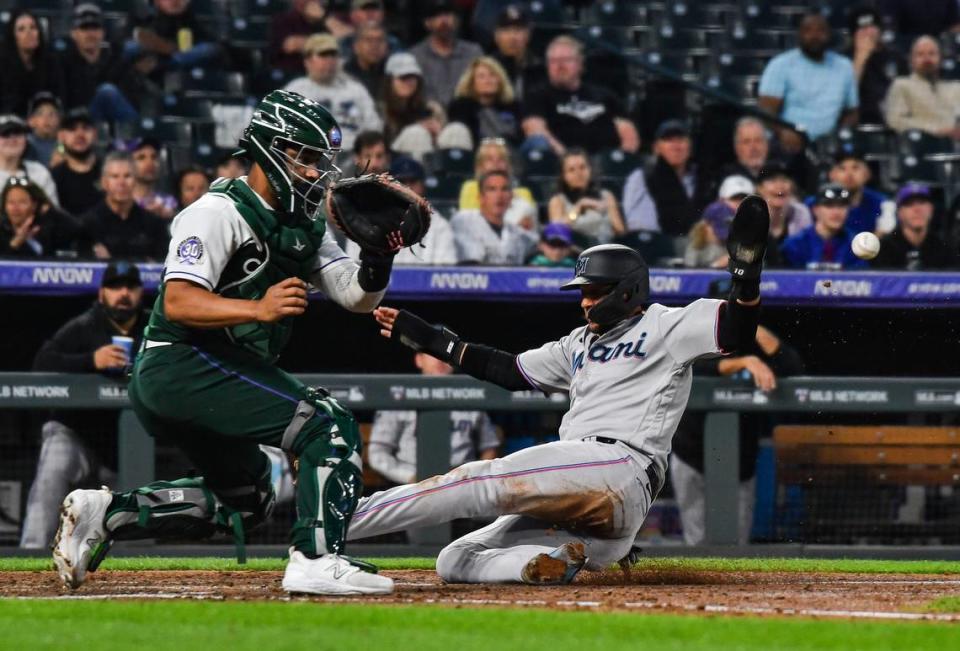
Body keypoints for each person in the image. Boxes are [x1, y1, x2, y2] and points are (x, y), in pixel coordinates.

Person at [52, 90, 397, 596]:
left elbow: (355, 296)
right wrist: (259, 308)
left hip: (212, 367)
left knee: (249, 498)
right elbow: (179, 302)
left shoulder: (304, 223)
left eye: (319, 161)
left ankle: (104, 514)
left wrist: (378, 258)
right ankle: (317, 558)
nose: (314, 172)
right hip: (180, 362)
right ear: (271, 151)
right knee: (327, 424)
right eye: (304, 158)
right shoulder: (215, 211)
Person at [347, 197, 767, 584]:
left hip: (620, 463)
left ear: (627, 290)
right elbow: (511, 371)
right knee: (455, 559)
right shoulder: (579, 342)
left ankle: (338, 521)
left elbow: (735, 329)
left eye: (594, 291)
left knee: (478, 480)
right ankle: (546, 564)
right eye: (583, 291)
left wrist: (745, 281)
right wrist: (437, 342)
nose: (585, 301)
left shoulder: (664, 325)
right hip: (596, 507)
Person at [19, 262, 148, 549]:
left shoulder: (152, 329)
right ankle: (28, 557)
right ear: (102, 293)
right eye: (115, 287)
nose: (123, 294)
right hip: (75, 433)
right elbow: (42, 363)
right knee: (54, 465)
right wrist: (91, 360)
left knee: (130, 523)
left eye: (130, 287)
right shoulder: (85, 326)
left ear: (141, 293)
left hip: (126, 445)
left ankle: (134, 573)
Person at [670, 286, 804, 546]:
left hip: (740, 455)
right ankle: (697, 588)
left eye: (735, 309)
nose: (729, 315)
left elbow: (793, 368)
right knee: (696, 542)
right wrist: (743, 363)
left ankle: (730, 589)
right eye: (724, 308)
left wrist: (757, 333)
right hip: (690, 451)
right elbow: (693, 366)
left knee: (737, 544)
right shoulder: (693, 336)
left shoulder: (751, 340)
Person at [368, 351, 499, 485]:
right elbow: (378, 454)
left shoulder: (470, 397)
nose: (439, 360)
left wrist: (474, 480)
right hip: (412, 484)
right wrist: (412, 478)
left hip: (460, 483)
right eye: (432, 353)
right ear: (419, 360)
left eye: (445, 354)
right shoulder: (399, 398)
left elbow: (489, 448)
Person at [522, 35, 639, 155]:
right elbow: (535, 131)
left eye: (566, 60)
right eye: (554, 61)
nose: (560, 66)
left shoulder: (605, 96)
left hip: (605, 165)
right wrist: (567, 159)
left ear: (580, 64)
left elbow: (628, 133)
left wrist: (620, 160)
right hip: (560, 165)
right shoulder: (537, 96)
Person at [758, 14, 858, 152]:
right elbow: (766, 111)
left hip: (829, 146)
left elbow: (852, 112)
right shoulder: (781, 64)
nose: (814, 35)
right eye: (808, 30)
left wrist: (841, 133)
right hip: (786, 145)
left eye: (820, 30)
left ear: (829, 34)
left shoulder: (844, 66)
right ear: (799, 35)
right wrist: (782, 132)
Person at [345, 156, 458, 264]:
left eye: (413, 181)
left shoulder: (439, 226)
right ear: (389, 185)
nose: (408, 187)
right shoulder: (367, 221)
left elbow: (442, 275)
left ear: (423, 185)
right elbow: (353, 269)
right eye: (402, 181)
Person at [621, 120, 714, 248]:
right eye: (669, 140)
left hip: (702, 246)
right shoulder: (642, 177)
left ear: (690, 146)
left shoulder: (702, 177)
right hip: (662, 247)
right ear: (656, 147)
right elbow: (642, 227)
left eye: (681, 140)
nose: (676, 146)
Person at [284, 33, 382, 152]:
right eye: (323, 55)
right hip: (313, 156)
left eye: (333, 55)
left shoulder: (355, 89)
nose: (329, 60)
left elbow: (374, 126)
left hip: (354, 154)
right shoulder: (295, 91)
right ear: (307, 61)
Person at [58, 3, 140, 125]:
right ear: (73, 34)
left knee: (108, 93)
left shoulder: (117, 60)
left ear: (103, 33)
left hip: (114, 123)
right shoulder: (63, 63)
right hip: (77, 125)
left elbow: (129, 101)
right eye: (84, 28)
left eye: (95, 28)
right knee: (107, 92)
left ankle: (132, 138)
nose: (90, 34)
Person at [379, 52, 470, 161]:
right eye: (403, 77)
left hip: (434, 156)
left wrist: (437, 132)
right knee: (416, 133)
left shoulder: (431, 108)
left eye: (413, 77)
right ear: (390, 80)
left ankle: (456, 174)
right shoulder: (379, 109)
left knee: (457, 129)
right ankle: (416, 178)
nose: (409, 82)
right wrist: (420, 127)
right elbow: (380, 145)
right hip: (395, 162)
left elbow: (444, 139)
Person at [81, 151, 169, 261]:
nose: (121, 183)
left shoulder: (154, 224)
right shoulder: (88, 224)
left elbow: (162, 265)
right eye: (115, 176)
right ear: (104, 182)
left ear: (136, 181)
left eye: (127, 176)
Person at [451, 170, 537, 264]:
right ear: (481, 197)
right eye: (492, 189)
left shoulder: (518, 234)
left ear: (511, 197)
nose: (499, 195)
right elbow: (471, 267)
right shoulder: (464, 221)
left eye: (504, 189)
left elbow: (539, 246)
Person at [409, 0, 484, 107]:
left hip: (467, 114)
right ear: (427, 23)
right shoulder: (415, 56)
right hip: (427, 116)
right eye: (437, 16)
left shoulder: (473, 52)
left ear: (457, 21)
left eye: (448, 15)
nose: (444, 21)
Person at [884, 36, 960, 139]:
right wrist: (936, 129)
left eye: (932, 53)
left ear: (940, 58)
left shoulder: (955, 88)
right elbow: (895, 121)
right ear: (911, 60)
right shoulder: (902, 85)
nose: (927, 59)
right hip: (920, 144)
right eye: (920, 54)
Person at [872, 183, 959, 270]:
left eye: (922, 203)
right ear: (899, 212)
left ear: (931, 209)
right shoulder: (885, 248)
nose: (917, 209)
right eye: (909, 204)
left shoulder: (944, 248)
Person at [548, 148, 625, 246]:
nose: (578, 173)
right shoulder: (558, 201)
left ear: (590, 169)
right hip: (576, 253)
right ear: (563, 176)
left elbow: (620, 230)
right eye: (571, 170)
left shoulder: (606, 196)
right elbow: (556, 234)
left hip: (605, 249)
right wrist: (579, 206)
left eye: (582, 167)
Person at [780, 183, 867, 269]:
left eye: (842, 206)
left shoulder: (856, 245)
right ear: (815, 210)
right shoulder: (795, 245)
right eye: (829, 206)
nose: (836, 212)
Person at [457, 138, 536, 231]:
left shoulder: (524, 193)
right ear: (480, 166)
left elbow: (529, 227)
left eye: (501, 159)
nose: (496, 163)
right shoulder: (470, 188)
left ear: (508, 165)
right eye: (489, 159)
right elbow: (468, 223)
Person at [126, 0, 221, 74]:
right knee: (132, 47)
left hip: (178, 56)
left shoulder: (188, 15)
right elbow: (133, 36)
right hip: (152, 54)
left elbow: (208, 41)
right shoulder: (143, 11)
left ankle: (162, 61)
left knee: (207, 49)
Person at [0, 10, 65, 116]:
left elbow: (58, 99)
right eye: (21, 29)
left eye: (33, 27)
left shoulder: (51, 62)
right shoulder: (2, 65)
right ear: (13, 37)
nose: (29, 33)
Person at [0, 176, 84, 259]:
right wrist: (16, 243)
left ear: (34, 205)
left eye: (22, 202)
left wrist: (51, 211)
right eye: (11, 202)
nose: (15, 208)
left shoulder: (48, 228)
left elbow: (79, 230)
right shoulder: (2, 231)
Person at [447, 56, 522, 147]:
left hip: (509, 153)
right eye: (481, 76)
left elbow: (518, 139)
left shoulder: (513, 106)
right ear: (472, 83)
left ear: (500, 80)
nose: (488, 80)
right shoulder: (460, 107)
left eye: (492, 75)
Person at [685, 175, 754, 269]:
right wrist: (715, 266)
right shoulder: (697, 245)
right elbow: (690, 278)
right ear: (706, 227)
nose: (739, 204)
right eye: (734, 199)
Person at [845, 6, 896, 126]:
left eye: (872, 27)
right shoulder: (843, 60)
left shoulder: (895, 58)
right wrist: (861, 57)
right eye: (862, 28)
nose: (868, 32)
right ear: (853, 34)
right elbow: (845, 95)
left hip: (892, 121)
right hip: (858, 121)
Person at [821, 151, 895, 234]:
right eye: (842, 168)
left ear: (867, 174)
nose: (849, 174)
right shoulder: (817, 203)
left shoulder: (883, 204)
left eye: (855, 168)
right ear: (832, 175)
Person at [755, 164, 812, 266]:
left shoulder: (801, 213)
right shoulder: (749, 216)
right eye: (772, 180)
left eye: (785, 180)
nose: (780, 185)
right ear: (759, 188)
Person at [50, 108, 103, 217]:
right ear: (61, 136)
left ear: (95, 134)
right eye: (72, 129)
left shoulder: (110, 172)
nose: (80, 134)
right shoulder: (52, 177)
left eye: (86, 128)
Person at [0, 114, 59, 207]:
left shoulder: (39, 172)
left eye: (18, 133)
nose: (12, 139)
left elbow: (53, 216)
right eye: (5, 134)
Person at [490, 5, 543, 101]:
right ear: (496, 36)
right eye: (506, 30)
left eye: (518, 30)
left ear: (528, 35)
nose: (512, 37)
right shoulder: (488, 68)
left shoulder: (541, 69)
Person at [269, 0, 337, 74]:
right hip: (293, 74)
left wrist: (324, 17)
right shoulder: (283, 20)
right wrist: (330, 44)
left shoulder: (332, 18)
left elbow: (346, 41)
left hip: (328, 75)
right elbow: (292, 45)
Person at [129, 138, 178, 220]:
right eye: (141, 157)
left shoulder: (168, 202)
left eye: (154, 157)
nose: (149, 163)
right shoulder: (121, 203)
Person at [343, 22, 389, 101]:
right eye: (368, 40)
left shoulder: (394, 75)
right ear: (356, 47)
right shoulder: (343, 75)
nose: (375, 45)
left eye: (380, 40)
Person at [720, 117, 772, 185]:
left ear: (766, 145)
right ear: (737, 148)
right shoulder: (728, 177)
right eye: (746, 142)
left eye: (758, 140)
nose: (753, 147)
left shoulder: (779, 171)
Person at [26, 92, 61, 168]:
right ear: (30, 121)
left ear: (59, 120)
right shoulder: (24, 144)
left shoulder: (64, 143)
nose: (46, 118)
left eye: (52, 114)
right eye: (40, 114)